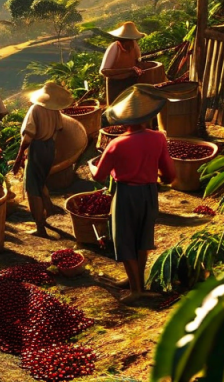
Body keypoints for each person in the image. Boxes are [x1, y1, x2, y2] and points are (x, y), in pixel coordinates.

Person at [90, 84, 176, 305]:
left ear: (124, 119)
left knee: (125, 239)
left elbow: (99, 176)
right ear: (149, 115)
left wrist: (92, 165)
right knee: (142, 238)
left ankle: (137, 290)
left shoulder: (116, 144)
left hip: (126, 194)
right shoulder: (158, 138)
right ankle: (135, 281)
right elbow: (169, 174)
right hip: (149, 194)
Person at [12, 81, 71, 238]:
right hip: (49, 147)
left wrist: (19, 158)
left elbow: (28, 137)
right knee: (41, 181)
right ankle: (47, 210)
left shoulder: (35, 109)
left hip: (37, 148)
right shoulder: (55, 111)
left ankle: (40, 227)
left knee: (32, 187)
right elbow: (59, 129)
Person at [100, 21, 147, 104]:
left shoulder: (134, 45)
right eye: (127, 45)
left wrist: (139, 68)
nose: (130, 47)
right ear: (121, 42)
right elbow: (104, 71)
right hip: (116, 85)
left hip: (130, 82)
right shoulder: (114, 48)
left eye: (131, 43)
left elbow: (138, 61)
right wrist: (129, 69)